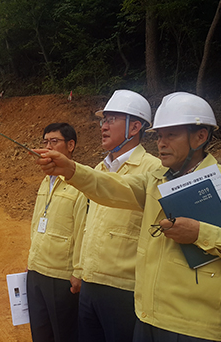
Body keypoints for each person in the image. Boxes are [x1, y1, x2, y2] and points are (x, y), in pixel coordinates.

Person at [34, 92, 221, 342]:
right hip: (147, 319)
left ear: (200, 136)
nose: (161, 143)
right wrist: (72, 170)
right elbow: (113, 187)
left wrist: (202, 234)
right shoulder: (155, 181)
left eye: (171, 135)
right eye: (160, 136)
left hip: (196, 328)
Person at [76, 90, 161, 342]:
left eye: (112, 119)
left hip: (125, 289)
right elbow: (87, 224)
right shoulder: (99, 169)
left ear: (135, 127)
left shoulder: (153, 169)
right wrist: (80, 270)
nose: (103, 126)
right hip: (90, 282)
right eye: (104, 120)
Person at [27, 122, 88, 342]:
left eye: (54, 141)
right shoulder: (46, 180)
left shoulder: (80, 183)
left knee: (64, 334)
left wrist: (78, 271)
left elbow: (83, 229)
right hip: (36, 270)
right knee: (41, 333)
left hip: (61, 277)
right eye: (45, 141)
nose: (48, 146)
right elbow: (37, 222)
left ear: (70, 145)